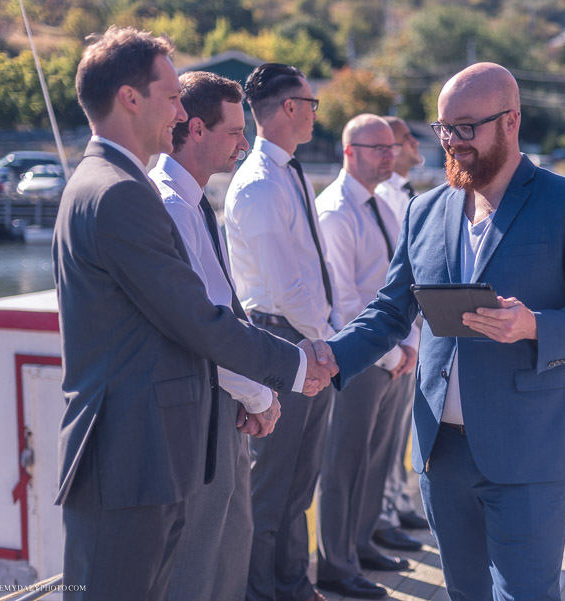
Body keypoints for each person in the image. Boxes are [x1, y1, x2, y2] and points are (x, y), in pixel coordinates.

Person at [322, 63, 565, 601]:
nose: (451, 142)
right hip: (442, 454)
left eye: (466, 127)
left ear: (510, 121)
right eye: (442, 128)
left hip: (528, 450)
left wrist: (534, 325)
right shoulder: (424, 209)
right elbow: (390, 313)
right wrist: (327, 358)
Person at [52, 27, 334, 601]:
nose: (181, 112)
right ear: (131, 98)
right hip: (130, 462)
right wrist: (295, 365)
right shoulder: (121, 193)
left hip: (142, 455)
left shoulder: (108, 182)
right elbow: (197, 318)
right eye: (172, 95)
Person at [147, 70, 268, 601]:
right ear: (196, 129)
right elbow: (207, 323)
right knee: (198, 561)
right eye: (235, 131)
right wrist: (261, 394)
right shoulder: (174, 205)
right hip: (201, 407)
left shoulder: (192, 202)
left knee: (227, 544)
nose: (244, 143)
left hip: (221, 400)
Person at [222, 62, 336, 601]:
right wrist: (325, 344)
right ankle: (263, 593)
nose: (316, 112)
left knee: (299, 482)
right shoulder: (261, 183)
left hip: (304, 337)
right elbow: (286, 285)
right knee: (270, 490)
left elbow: (308, 272)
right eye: (311, 102)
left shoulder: (289, 172)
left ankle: (292, 583)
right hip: (284, 341)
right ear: (289, 108)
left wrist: (323, 337)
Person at [315, 115, 416, 600]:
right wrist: (393, 349)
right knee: (345, 463)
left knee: (377, 458)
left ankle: (360, 544)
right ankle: (335, 563)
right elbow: (344, 301)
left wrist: (410, 343)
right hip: (361, 359)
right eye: (378, 148)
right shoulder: (335, 211)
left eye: (391, 147)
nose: (389, 155)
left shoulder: (383, 206)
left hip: (394, 353)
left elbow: (402, 283)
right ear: (349, 151)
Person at [370, 117, 429, 553]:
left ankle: (395, 503)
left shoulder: (405, 194)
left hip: (408, 336)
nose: (409, 146)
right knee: (377, 445)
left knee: (396, 436)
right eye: (403, 139)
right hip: (387, 339)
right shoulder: (385, 196)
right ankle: (383, 514)